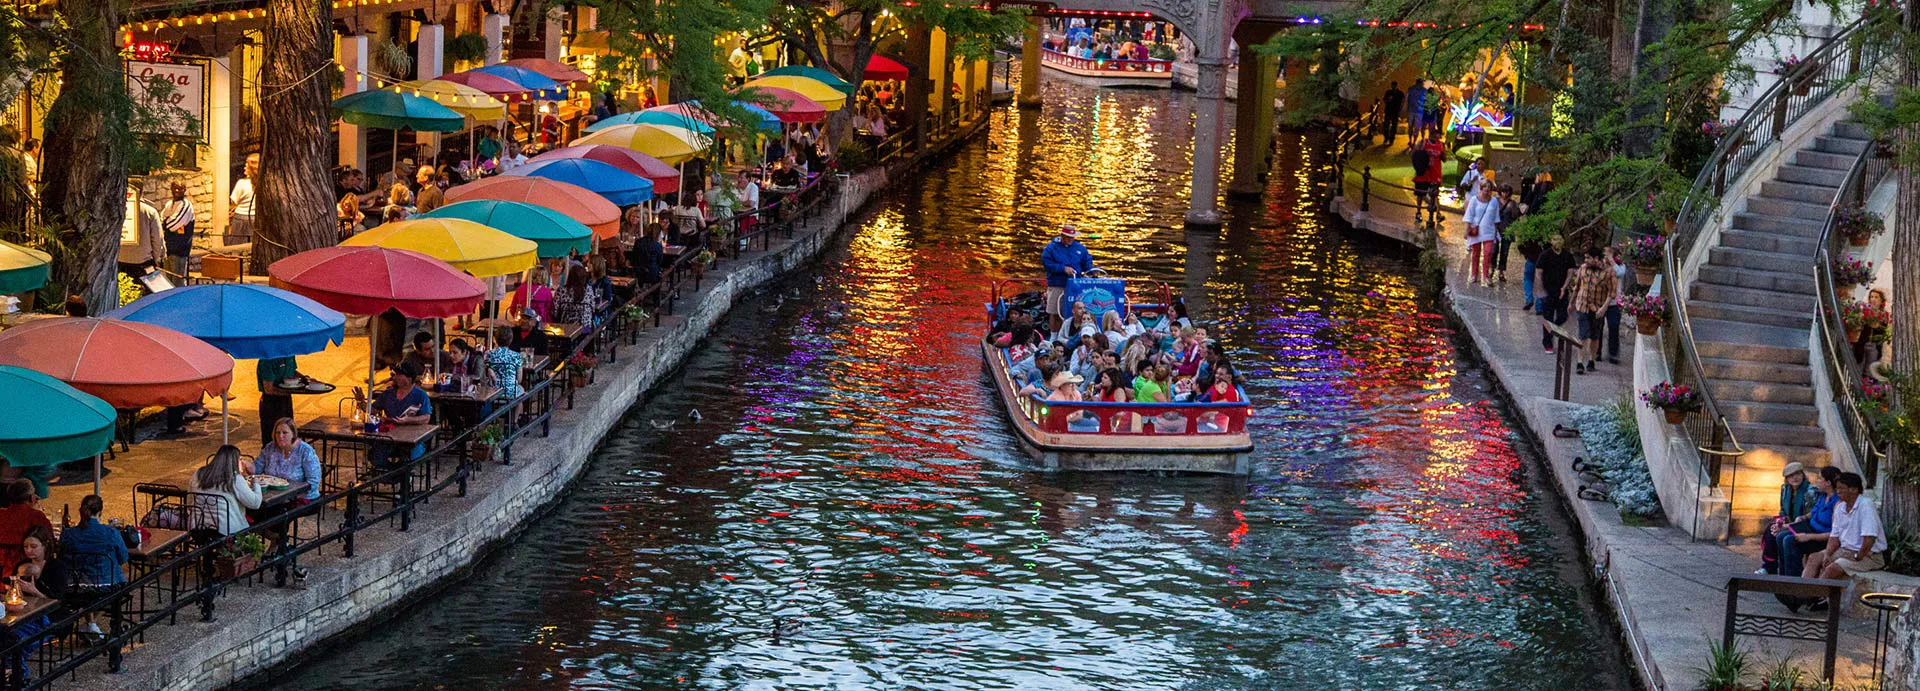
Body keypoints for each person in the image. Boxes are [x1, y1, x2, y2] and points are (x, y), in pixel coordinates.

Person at [1799, 472, 1883, 611]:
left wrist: (1858, 557)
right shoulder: (1840, 507)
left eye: (1841, 488)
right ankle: (1801, 594)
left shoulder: (1865, 506)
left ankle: (1808, 598)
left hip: (1868, 555)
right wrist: (1827, 554)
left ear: (1854, 489)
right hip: (1844, 550)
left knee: (1833, 568)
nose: (1838, 491)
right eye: (1837, 488)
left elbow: (1869, 539)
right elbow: (1834, 536)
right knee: (1815, 558)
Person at [1768, 466, 1841, 581]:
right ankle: (1782, 579)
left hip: (1821, 538)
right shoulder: (1823, 496)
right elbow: (1813, 513)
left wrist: (1807, 537)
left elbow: (1834, 534)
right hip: (1810, 528)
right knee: (1780, 536)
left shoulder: (1837, 503)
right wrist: (1803, 517)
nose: (1817, 481)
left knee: (1789, 541)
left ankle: (1794, 581)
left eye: (1820, 479)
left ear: (1828, 483)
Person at [368, 363, 434, 471]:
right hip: (390, 437)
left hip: (411, 440)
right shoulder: (389, 393)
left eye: (399, 375)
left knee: (407, 459)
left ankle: (400, 477)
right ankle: (394, 476)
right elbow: (373, 411)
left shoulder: (420, 395)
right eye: (395, 374)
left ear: (409, 378)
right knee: (375, 455)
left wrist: (408, 420)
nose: (395, 377)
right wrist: (361, 402)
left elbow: (426, 418)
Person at [190, 445, 262, 537]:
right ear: (235, 462)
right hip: (227, 531)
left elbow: (190, 500)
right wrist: (256, 483)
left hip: (198, 527)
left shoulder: (198, 473)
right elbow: (255, 503)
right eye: (240, 459)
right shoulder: (235, 479)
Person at [1564, 248, 1616, 374]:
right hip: (1582, 306)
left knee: (1594, 336)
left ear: (1596, 259)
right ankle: (1580, 362)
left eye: (1589, 258)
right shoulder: (1582, 269)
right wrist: (1571, 303)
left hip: (1597, 308)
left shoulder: (1609, 272)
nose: (1586, 260)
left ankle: (1592, 360)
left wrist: (1604, 308)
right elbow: (1577, 287)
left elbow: (1612, 293)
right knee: (1583, 334)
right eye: (1585, 258)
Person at [60, 495, 127, 588]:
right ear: (100, 513)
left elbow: (61, 558)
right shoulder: (111, 532)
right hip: (107, 586)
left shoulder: (68, 534)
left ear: (81, 511)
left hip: (75, 587)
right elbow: (123, 558)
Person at [1041, 225, 1095, 331]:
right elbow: (1047, 263)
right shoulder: (1051, 248)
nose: (1071, 239)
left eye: (1072, 237)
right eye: (1068, 237)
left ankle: (1074, 332)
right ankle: (1054, 335)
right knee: (1055, 312)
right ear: (1062, 236)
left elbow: (1087, 260)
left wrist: (1091, 269)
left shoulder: (1080, 247)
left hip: (1075, 285)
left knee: (1075, 311)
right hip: (1057, 284)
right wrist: (1063, 268)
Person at [1534, 236, 1576, 353]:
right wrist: (1541, 291)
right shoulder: (1545, 255)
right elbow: (1538, 273)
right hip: (1548, 291)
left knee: (1563, 315)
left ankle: (1553, 329)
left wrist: (1564, 287)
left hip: (1561, 291)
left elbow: (1570, 272)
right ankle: (1548, 343)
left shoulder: (1567, 256)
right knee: (1548, 317)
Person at [0, 481, 50, 575]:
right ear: (31, 498)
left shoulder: (1, 514)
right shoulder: (36, 517)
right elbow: (49, 543)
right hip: (27, 571)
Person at [1461, 182, 1500, 285]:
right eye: (1485, 188)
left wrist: (1496, 233)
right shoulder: (1474, 200)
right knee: (1475, 253)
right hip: (1476, 231)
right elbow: (1469, 215)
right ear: (1481, 188)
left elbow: (1496, 218)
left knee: (1488, 253)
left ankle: (1486, 276)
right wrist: (1466, 230)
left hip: (1489, 231)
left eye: (1489, 188)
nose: (1487, 190)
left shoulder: (1494, 201)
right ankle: (1474, 274)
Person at [1604, 246, 1635, 365]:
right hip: (1600, 300)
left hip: (1614, 302)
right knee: (1597, 326)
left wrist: (1611, 261)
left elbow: (1619, 273)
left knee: (1613, 326)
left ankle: (1613, 353)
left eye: (1608, 253)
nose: (1606, 255)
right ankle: (1596, 353)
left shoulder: (1620, 265)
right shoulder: (1601, 264)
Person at [160, 181, 196, 277]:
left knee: (177, 280)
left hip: (179, 250)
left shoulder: (186, 206)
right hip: (168, 249)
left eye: (180, 188)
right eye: (175, 188)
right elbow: (161, 218)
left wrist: (166, 222)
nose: (177, 191)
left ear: (184, 190)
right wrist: (166, 222)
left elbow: (173, 225)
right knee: (167, 279)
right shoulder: (169, 204)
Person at [485, 326, 528, 400]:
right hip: (511, 391)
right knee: (521, 391)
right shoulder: (516, 356)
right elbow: (519, 379)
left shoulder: (488, 354)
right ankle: (518, 412)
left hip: (493, 391)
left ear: (495, 339)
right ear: (511, 340)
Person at [228, 154, 258, 245]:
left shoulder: (242, 183)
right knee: (251, 245)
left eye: (246, 164)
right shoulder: (264, 183)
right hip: (255, 217)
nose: (244, 167)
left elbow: (233, 201)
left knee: (236, 245)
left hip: (240, 218)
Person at [1494, 185, 1520, 284]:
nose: (1505, 194)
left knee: (1504, 252)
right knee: (1494, 250)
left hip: (1507, 230)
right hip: (1496, 229)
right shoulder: (1495, 201)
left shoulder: (1513, 203)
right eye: (1503, 191)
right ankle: (1492, 268)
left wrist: (1512, 209)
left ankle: (1501, 271)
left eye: (1507, 192)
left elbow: (1515, 216)